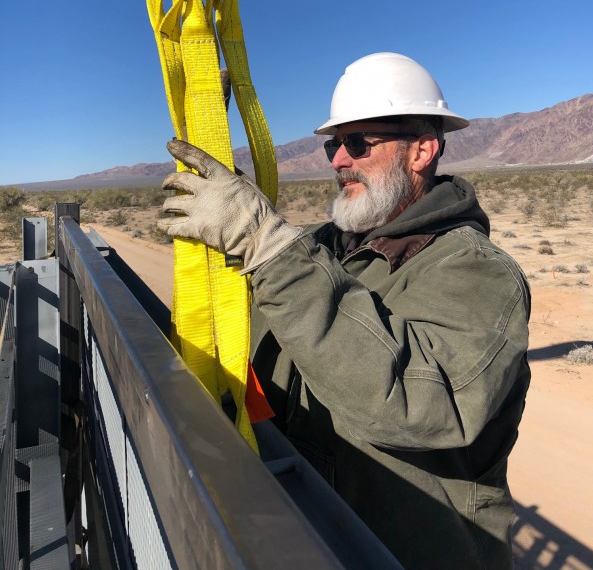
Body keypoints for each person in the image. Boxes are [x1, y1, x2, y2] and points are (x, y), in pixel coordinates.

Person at [160, 52, 531, 570]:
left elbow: (422, 406)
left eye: (357, 143)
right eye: (333, 144)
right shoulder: (321, 249)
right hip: (302, 532)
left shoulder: (477, 273)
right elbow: (254, 305)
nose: (337, 161)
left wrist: (267, 245)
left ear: (422, 150)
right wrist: (223, 181)